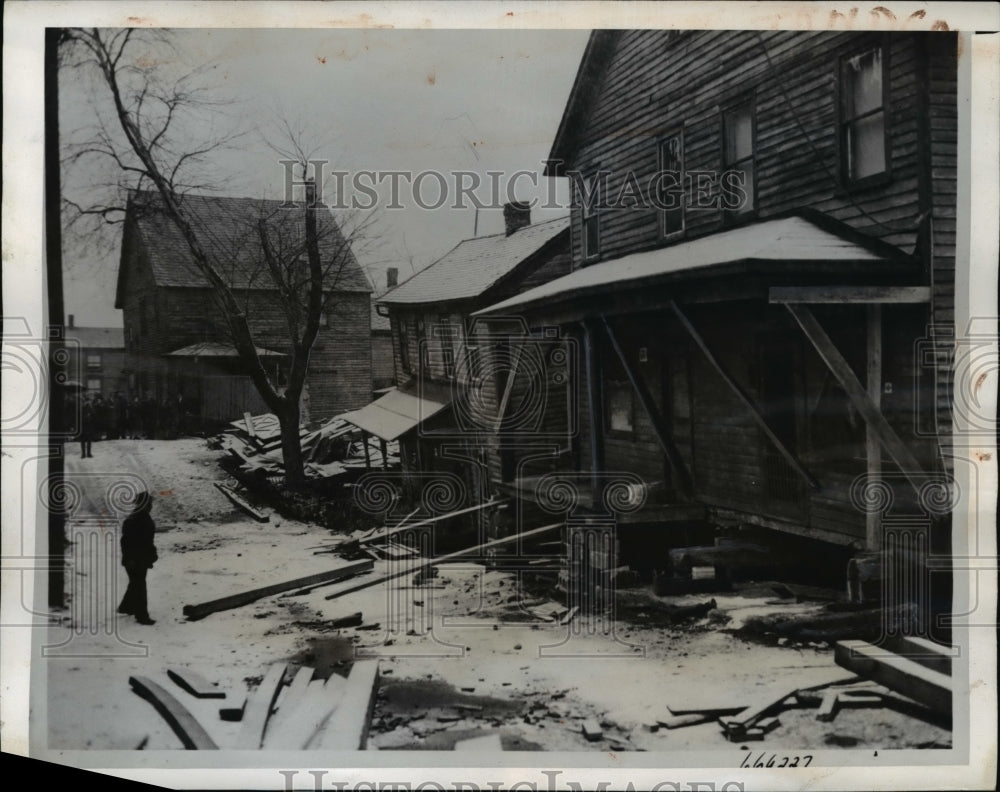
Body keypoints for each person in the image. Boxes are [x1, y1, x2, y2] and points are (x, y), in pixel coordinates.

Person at [117, 491, 158, 625]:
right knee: (139, 585)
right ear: (142, 504)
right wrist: (129, 559)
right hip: (135, 559)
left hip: (140, 558)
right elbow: (126, 542)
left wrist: (151, 554)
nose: (151, 506)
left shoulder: (141, 517)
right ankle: (142, 616)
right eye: (149, 503)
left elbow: (147, 540)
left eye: (150, 503)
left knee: (135, 583)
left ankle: (126, 607)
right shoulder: (135, 519)